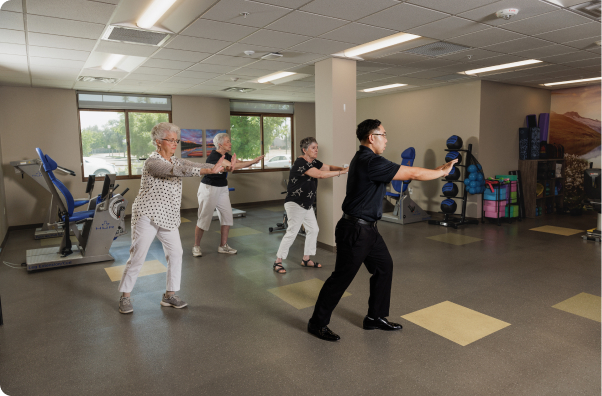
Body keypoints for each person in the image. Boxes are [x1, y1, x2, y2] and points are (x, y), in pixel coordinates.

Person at [307, 119, 458, 341]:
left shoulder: (369, 159)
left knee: (384, 268)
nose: (387, 139)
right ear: (372, 137)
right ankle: (316, 323)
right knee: (341, 278)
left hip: (368, 230)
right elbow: (413, 174)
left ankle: (374, 317)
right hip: (355, 230)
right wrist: (440, 173)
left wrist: (437, 171)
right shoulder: (370, 161)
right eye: (384, 134)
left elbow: (410, 171)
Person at [118, 122, 225, 314]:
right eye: (171, 140)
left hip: (168, 216)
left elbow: (197, 164)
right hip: (147, 214)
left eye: (177, 140)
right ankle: (125, 296)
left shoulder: (176, 160)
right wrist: (208, 171)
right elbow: (177, 171)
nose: (175, 144)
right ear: (158, 142)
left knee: (176, 254)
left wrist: (223, 167)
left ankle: (169, 295)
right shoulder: (153, 162)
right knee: (138, 257)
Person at [273, 137, 349, 274]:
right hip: (295, 203)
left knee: (313, 229)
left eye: (317, 147)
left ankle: (306, 259)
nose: (316, 150)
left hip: (306, 204)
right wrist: (341, 173)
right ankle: (278, 261)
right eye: (313, 148)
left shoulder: (313, 162)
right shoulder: (300, 163)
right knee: (292, 232)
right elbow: (319, 175)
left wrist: (344, 168)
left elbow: (328, 167)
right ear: (304, 150)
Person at [192, 133, 263, 257]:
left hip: (222, 188)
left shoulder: (226, 155)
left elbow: (239, 162)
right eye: (228, 141)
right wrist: (251, 162)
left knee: (227, 216)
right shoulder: (214, 157)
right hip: (209, 188)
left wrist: (252, 162)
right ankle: (196, 246)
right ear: (220, 144)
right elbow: (232, 166)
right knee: (204, 218)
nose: (230, 143)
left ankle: (223, 246)